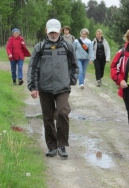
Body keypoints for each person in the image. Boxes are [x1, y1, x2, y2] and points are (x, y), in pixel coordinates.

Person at [27, 19, 79, 159]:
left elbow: (74, 65)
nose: (53, 34)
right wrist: (33, 87)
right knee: (48, 118)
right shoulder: (40, 47)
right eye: (51, 32)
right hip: (45, 88)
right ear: (46, 31)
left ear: (60, 31)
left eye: (55, 32)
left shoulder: (68, 47)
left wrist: (72, 80)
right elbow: (33, 68)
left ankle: (62, 145)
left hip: (62, 87)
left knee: (62, 112)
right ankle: (52, 146)